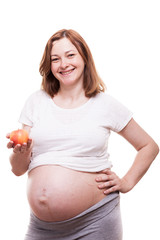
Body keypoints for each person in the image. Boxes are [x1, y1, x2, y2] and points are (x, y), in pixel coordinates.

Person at [7, 29, 159, 240]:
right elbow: (17, 169)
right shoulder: (36, 102)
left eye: (70, 55)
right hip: (41, 228)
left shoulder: (105, 104)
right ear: (49, 66)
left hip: (95, 221)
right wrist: (21, 152)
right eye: (55, 59)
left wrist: (127, 182)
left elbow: (148, 146)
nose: (63, 64)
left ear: (84, 58)